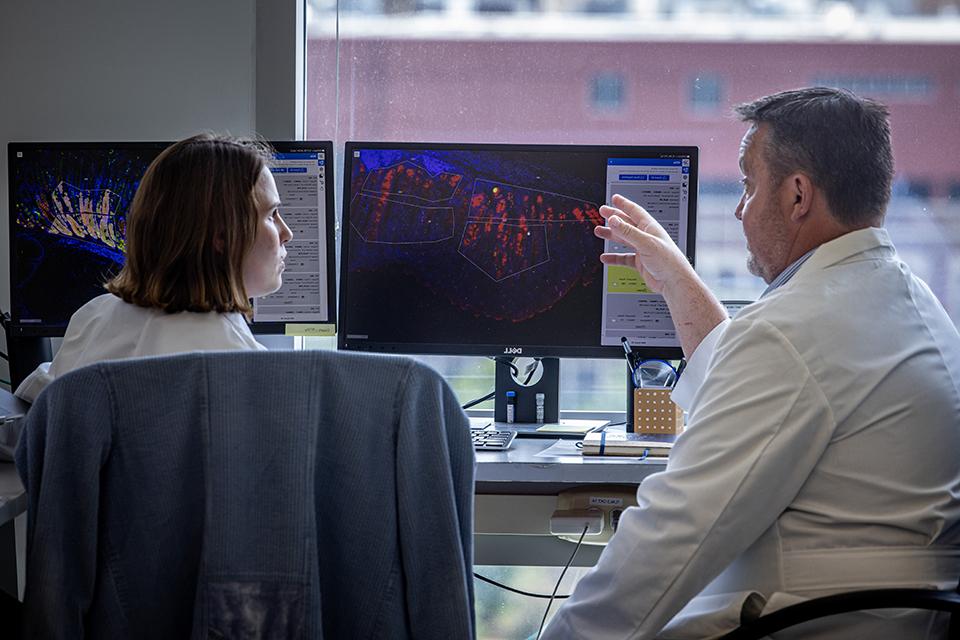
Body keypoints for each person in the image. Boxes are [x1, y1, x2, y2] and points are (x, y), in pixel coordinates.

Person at [541, 87, 960, 639]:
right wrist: (677, 281)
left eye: (747, 184)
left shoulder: (793, 332)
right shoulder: (907, 301)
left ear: (797, 196)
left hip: (807, 620)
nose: (740, 208)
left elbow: (673, 540)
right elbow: (769, 393)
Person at [14, 133, 293, 403]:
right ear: (221, 236)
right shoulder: (238, 359)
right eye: (271, 215)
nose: (287, 232)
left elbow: (42, 407)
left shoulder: (93, 317)